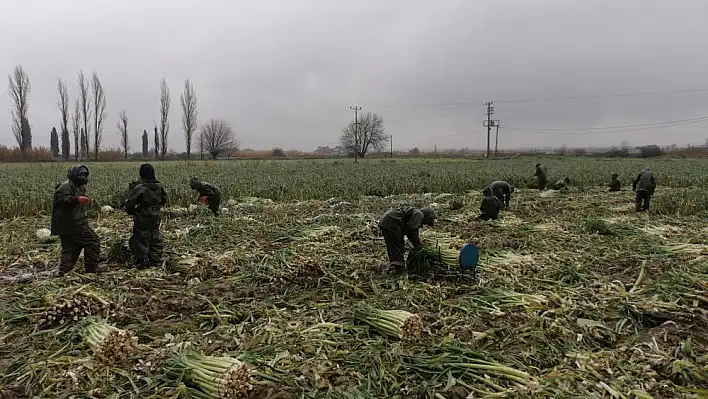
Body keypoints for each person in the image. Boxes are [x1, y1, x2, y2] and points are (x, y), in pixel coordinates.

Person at [50, 165, 103, 276]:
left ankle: (64, 271)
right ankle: (91, 269)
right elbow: (60, 200)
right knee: (93, 241)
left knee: (71, 247)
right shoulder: (65, 187)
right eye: (81, 175)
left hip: (72, 224)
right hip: (72, 224)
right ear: (74, 175)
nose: (83, 177)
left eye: (85, 175)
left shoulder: (80, 187)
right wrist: (76, 200)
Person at [124, 164, 167, 269]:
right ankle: (155, 259)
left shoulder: (140, 188)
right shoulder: (159, 187)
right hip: (156, 215)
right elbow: (164, 200)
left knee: (140, 237)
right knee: (155, 236)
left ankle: (141, 260)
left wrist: (132, 211)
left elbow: (130, 204)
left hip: (143, 216)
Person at [378, 207, 437, 276]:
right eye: (430, 219)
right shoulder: (419, 214)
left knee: (394, 245)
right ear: (427, 216)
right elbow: (411, 231)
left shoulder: (417, 213)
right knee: (397, 245)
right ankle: (400, 271)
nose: (429, 222)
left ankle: (397, 267)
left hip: (388, 221)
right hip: (391, 222)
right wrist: (418, 244)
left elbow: (411, 229)